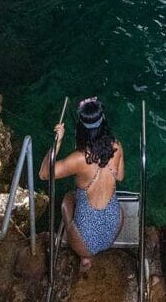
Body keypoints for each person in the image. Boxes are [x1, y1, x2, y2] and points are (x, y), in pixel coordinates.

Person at [39, 97, 125, 274]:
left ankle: (85, 259)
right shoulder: (116, 147)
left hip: (86, 244)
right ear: (103, 124)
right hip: (115, 226)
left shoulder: (79, 159)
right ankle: (93, 251)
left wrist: (58, 140)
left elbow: (44, 173)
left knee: (67, 199)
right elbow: (121, 177)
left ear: (81, 129)